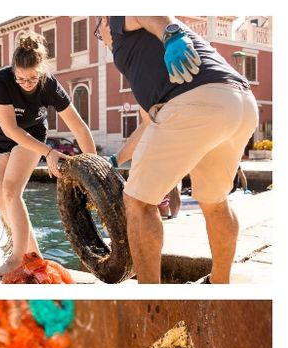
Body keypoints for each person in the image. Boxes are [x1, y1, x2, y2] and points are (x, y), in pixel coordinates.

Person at [98, 17, 258, 283]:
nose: (101, 39)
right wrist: (116, 159)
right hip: (238, 103)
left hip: (195, 102)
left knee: (138, 202)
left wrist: (170, 34)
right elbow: (150, 123)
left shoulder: (116, 21)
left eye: (97, 33)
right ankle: (220, 284)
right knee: (215, 201)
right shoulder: (141, 58)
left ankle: (151, 300)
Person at [0, 34, 97, 277]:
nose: (26, 83)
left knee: (11, 191)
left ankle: (16, 259)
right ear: (13, 70)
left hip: (32, 136)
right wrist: (50, 153)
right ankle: (35, 259)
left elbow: (79, 128)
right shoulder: (1, 81)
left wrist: (94, 174)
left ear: (42, 71)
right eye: (21, 79)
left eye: (32, 78)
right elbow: (10, 129)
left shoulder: (50, 85)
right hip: (1, 136)